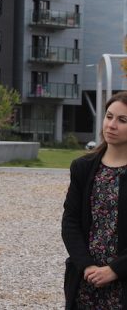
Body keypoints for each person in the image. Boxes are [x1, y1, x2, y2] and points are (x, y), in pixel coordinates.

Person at [62, 91, 127, 309]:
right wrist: (87, 266)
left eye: (122, 120)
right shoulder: (83, 167)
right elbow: (70, 222)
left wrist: (115, 270)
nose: (111, 125)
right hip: (85, 281)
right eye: (109, 117)